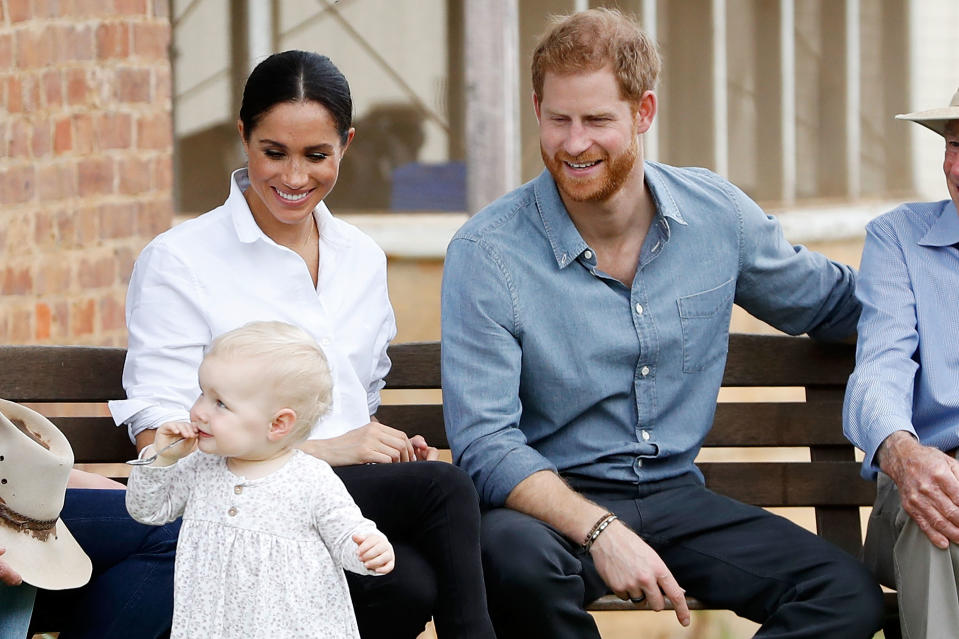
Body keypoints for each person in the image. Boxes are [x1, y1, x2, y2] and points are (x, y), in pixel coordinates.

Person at [441, 8, 884, 639]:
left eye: (597, 120)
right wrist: (599, 530)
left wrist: (929, 292)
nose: (573, 143)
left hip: (677, 499)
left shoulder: (716, 217)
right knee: (509, 560)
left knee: (845, 596)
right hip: (549, 510)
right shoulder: (487, 253)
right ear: (536, 109)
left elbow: (835, 304)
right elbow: (485, 445)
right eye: (558, 118)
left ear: (643, 112)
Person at [109, 49, 495, 638]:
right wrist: (331, 450)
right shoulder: (180, 259)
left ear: (347, 143)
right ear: (243, 137)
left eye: (317, 155)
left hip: (332, 503)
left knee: (411, 578)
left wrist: (382, 450)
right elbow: (157, 432)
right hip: (228, 503)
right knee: (443, 493)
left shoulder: (360, 257)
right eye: (274, 152)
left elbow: (354, 402)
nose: (294, 178)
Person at [126, 321, 394, 638]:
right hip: (212, 625)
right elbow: (147, 510)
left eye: (220, 403)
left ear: (278, 424)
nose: (199, 411)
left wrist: (367, 549)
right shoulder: (200, 465)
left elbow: (345, 531)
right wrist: (164, 457)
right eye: (202, 393)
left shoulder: (310, 478)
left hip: (291, 627)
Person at [843, 88, 959, 639]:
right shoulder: (898, 240)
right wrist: (902, 451)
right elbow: (879, 368)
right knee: (935, 506)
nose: (957, 166)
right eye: (954, 145)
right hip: (930, 482)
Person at [0, 399, 178, 639]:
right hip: (11, 513)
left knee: (177, 535)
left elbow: (18, 462)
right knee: (173, 539)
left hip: (22, 499)